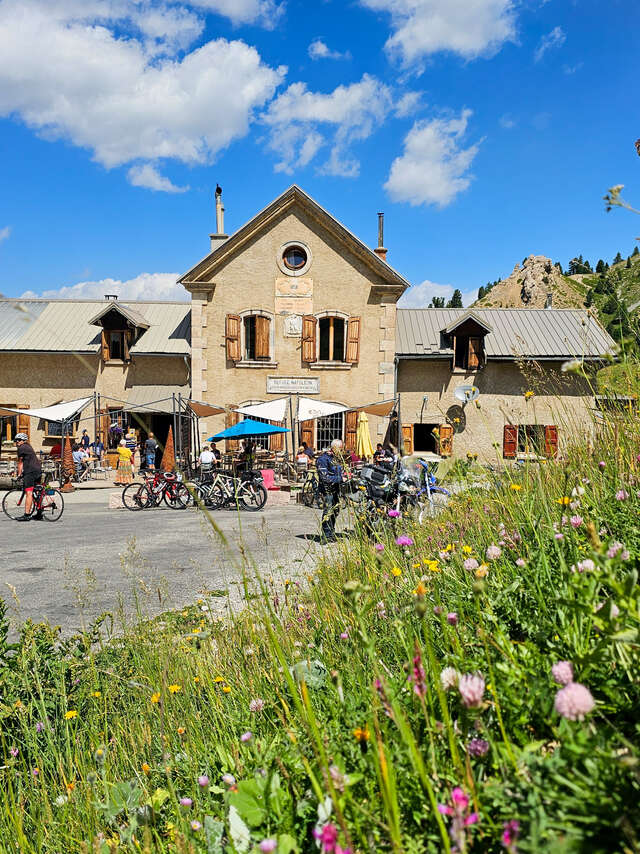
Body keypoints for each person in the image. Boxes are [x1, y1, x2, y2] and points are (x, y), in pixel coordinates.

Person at [316, 438, 344, 543]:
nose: (342, 451)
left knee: (335, 511)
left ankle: (331, 534)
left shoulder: (335, 459)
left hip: (336, 489)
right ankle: (325, 536)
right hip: (327, 490)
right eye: (340, 449)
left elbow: (337, 473)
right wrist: (340, 479)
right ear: (334, 448)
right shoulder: (323, 459)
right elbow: (324, 478)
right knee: (328, 512)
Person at [14, 432, 42, 521]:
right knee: (36, 492)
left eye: (18, 440)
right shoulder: (29, 446)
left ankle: (27, 514)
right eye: (16, 441)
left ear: (23, 441)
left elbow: (20, 462)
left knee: (29, 493)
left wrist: (18, 474)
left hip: (30, 472)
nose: (16, 442)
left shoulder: (21, 448)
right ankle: (39, 513)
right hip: (37, 470)